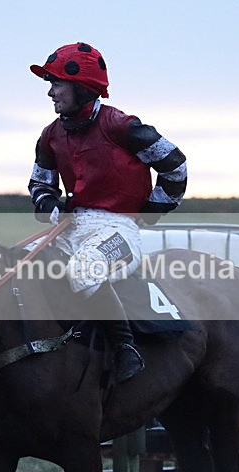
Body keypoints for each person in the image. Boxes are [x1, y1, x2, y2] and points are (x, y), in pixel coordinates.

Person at [28, 42, 187, 382]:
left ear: (82, 89)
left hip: (119, 229)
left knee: (85, 272)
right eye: (50, 85)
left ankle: (125, 348)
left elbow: (175, 166)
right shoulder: (50, 136)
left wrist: (148, 211)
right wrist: (51, 207)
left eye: (57, 84)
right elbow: (39, 184)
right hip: (72, 227)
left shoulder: (124, 127)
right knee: (22, 266)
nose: (51, 93)